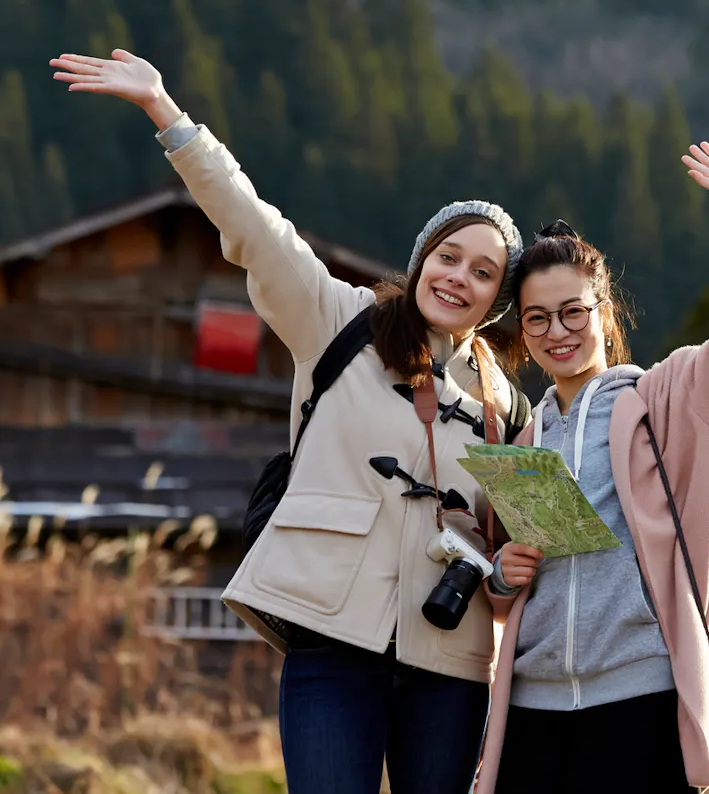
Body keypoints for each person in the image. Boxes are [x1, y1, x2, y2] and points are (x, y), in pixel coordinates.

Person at [49, 50, 531, 794]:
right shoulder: (339, 320)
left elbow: (519, 549)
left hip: (453, 662)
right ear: (422, 258)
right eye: (448, 255)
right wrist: (167, 116)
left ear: (496, 299)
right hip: (332, 639)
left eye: (481, 272)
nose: (456, 278)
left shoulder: (505, 406)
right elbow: (256, 228)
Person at [477, 141, 709, 794]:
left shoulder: (670, 399)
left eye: (573, 311)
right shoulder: (523, 438)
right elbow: (505, 587)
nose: (556, 331)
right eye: (537, 318)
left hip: (639, 697)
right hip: (531, 708)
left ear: (604, 310)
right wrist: (503, 581)